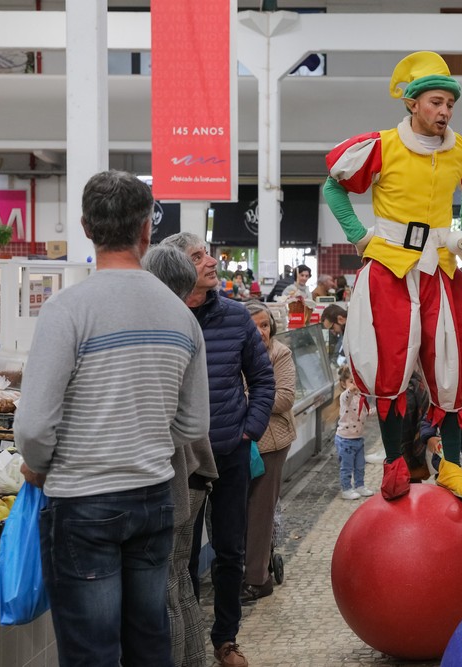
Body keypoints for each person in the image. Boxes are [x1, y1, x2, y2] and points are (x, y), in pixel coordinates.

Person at [15, 171, 210, 667]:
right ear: (147, 230)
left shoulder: (66, 310)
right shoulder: (179, 314)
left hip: (81, 504)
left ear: (85, 227)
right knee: (150, 644)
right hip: (152, 500)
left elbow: (34, 427)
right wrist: (141, 437)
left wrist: (38, 464)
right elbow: (193, 425)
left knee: (92, 652)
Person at [322, 50, 462, 501]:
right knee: (389, 366)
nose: (445, 111)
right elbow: (333, 188)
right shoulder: (383, 146)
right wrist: (360, 239)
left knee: (453, 362)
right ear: (413, 103)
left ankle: (453, 466)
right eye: (437, 102)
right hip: (391, 267)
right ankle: (396, 464)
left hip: (441, 266)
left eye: (450, 104)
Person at [160, 231, 275, 667]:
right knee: (183, 554)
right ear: (177, 267)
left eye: (207, 253)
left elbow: (262, 378)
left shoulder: (235, 316)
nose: (211, 261)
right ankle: (186, 640)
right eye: (198, 256)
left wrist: (250, 429)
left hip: (229, 450)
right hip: (183, 458)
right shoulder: (165, 318)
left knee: (230, 550)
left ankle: (225, 639)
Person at [141, 244, 219, 667]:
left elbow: (186, 421)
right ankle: (194, 660)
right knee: (181, 583)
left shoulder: (167, 325)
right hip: (196, 470)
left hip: (177, 474)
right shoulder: (184, 322)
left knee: (166, 588)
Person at [241, 302, 297, 604]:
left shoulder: (280, 354)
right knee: (240, 512)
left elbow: (285, 399)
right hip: (237, 442)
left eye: (265, 325)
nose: (261, 332)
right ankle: (246, 568)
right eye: (254, 326)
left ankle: (257, 579)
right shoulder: (234, 352)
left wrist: (242, 397)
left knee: (260, 512)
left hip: (272, 443)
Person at [335, 364, 374, 500]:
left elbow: (365, 413)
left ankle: (360, 485)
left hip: (358, 438)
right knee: (346, 467)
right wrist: (350, 390)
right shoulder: (344, 397)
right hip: (345, 439)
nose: (355, 385)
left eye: (356, 382)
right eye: (351, 381)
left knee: (360, 465)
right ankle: (346, 488)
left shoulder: (359, 398)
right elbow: (347, 397)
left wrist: (378, 410)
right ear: (343, 384)